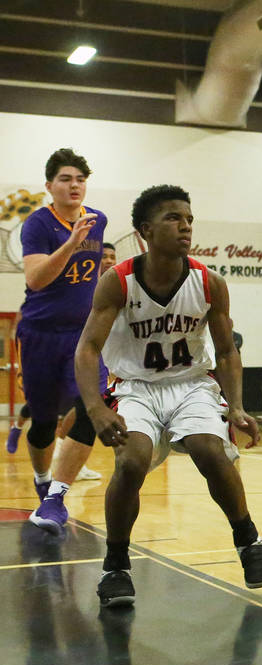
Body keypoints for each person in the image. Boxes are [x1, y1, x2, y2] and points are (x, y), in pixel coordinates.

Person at [74, 184, 262, 607]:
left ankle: (249, 541)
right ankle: (116, 565)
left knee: (209, 450)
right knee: (130, 463)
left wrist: (236, 405)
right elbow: (88, 348)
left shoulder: (209, 282)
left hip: (191, 384)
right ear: (146, 230)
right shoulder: (118, 281)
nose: (185, 226)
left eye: (189, 219)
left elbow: (225, 350)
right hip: (135, 387)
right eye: (173, 218)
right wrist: (94, 406)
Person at [18, 148, 108, 533]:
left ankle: (56, 495)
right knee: (41, 422)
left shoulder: (98, 220)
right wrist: (71, 243)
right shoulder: (37, 225)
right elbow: (35, 279)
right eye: (66, 179)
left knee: (94, 405)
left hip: (82, 336)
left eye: (81, 179)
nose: (75, 186)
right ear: (49, 186)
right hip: (41, 334)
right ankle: (42, 480)